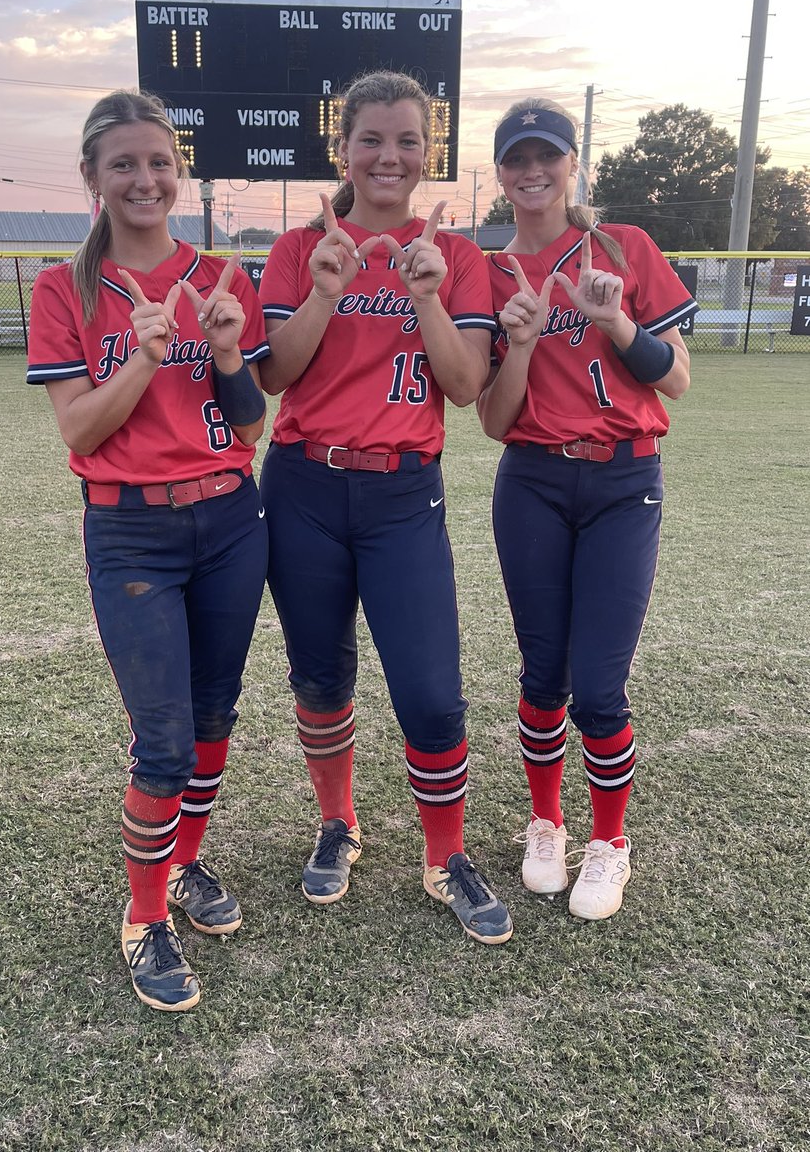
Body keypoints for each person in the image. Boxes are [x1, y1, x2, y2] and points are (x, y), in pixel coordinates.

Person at [26, 90, 269, 1010]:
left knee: (213, 718)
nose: (145, 178)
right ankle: (143, 918)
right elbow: (81, 434)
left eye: (159, 162)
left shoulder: (219, 276)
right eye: (123, 163)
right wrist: (139, 356)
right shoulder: (67, 289)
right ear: (92, 177)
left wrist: (228, 356)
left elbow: (249, 418)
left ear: (181, 173)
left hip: (231, 519)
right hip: (131, 527)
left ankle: (184, 866)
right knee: (162, 741)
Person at [257, 70, 512, 945]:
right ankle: (338, 823)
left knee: (432, 692)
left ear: (428, 151)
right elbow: (271, 376)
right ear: (345, 148)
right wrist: (328, 287)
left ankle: (446, 856)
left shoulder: (457, 255)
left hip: (404, 491)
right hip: (305, 485)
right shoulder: (300, 248)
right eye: (371, 138)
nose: (389, 156)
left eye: (407, 140)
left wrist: (429, 294)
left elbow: (468, 385)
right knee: (321, 676)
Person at [478, 98, 696, 921]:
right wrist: (524, 342)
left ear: (573, 165)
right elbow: (494, 423)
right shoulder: (491, 272)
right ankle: (546, 823)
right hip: (531, 477)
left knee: (599, 686)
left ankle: (610, 841)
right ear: (500, 173)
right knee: (543, 676)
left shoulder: (623, 248)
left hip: (622, 481)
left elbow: (675, 378)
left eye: (548, 156)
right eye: (517, 159)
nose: (533, 172)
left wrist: (615, 320)